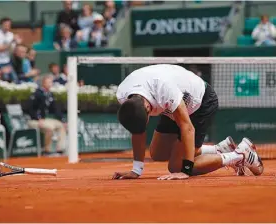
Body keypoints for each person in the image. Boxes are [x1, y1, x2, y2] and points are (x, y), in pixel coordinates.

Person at [113, 64, 264, 180]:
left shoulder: (163, 90)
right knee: (157, 153)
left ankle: (239, 155)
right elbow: (137, 130)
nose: (140, 131)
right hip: (172, 105)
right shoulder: (124, 95)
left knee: (176, 166)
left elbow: (187, 128)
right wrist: (136, 170)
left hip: (200, 102)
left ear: (147, 107)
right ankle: (219, 148)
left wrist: (185, 170)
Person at [28, 75, 67, 156]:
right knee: (49, 128)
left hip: (44, 119)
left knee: (61, 126)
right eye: (49, 82)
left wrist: (62, 120)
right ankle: (46, 150)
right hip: (34, 120)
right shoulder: (37, 93)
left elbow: (56, 109)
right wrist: (38, 118)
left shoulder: (50, 94)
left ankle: (59, 149)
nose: (51, 84)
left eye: (51, 82)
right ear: (43, 83)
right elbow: (31, 109)